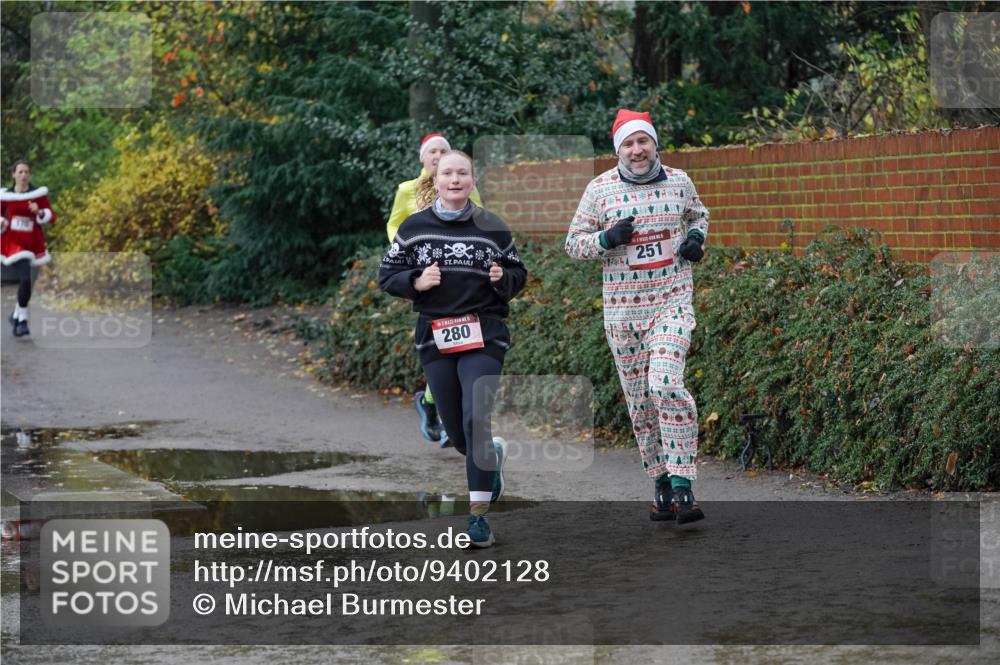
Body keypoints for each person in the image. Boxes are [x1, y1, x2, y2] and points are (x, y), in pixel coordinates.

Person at [565, 109, 709, 524]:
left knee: (665, 383)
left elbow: (698, 214)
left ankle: (683, 484)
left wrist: (696, 239)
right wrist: (606, 238)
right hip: (623, 313)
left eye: (643, 140)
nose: (637, 150)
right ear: (618, 150)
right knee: (641, 403)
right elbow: (573, 244)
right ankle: (661, 484)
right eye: (628, 144)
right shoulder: (600, 190)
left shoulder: (680, 182)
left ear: (654, 143)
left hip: (671, 301)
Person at [379, 150, 527, 547]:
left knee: (476, 417)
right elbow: (387, 275)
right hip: (435, 336)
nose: (455, 179)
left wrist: (502, 277)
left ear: (473, 180)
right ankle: (491, 457)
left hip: (485, 333)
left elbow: (519, 272)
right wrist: (416, 281)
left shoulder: (492, 226)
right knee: (460, 436)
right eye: (448, 173)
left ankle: (478, 518)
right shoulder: (414, 227)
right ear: (436, 180)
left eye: (463, 173)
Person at [386, 134, 483, 447]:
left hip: (460, 274)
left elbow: (481, 220)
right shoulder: (407, 189)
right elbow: (394, 225)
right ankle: (442, 409)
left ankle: (436, 405)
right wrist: (409, 254)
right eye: (433, 151)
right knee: (440, 346)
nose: (438, 155)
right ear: (422, 158)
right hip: (424, 277)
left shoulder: (464, 185)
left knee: (459, 345)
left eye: (444, 150)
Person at [1, 161, 55, 337]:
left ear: (30, 175)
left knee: (29, 282)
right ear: (13, 175)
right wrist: (1, 222)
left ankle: (16, 316)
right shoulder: (5, 196)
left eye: (26, 172)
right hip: (13, 244)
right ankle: (22, 320)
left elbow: (51, 216)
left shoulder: (37, 195)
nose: (24, 175)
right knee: (25, 279)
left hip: (33, 243)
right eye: (20, 172)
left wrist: (39, 212)